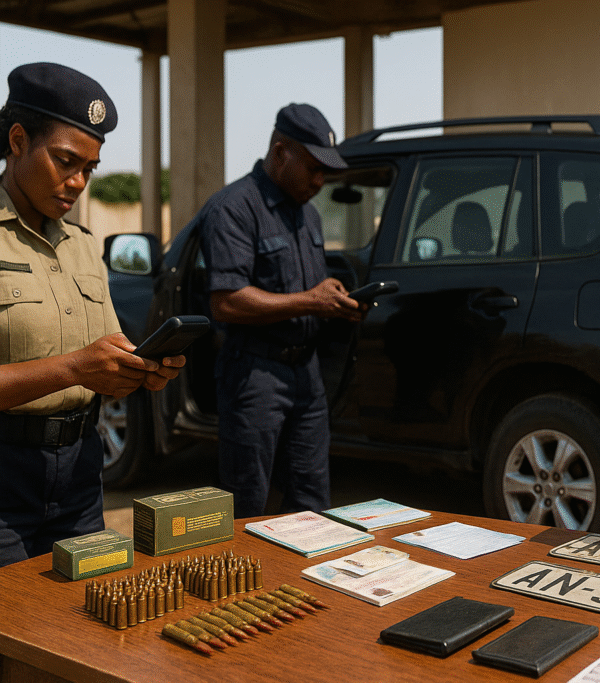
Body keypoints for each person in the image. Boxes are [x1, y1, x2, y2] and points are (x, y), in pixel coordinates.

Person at [0, 62, 185, 568]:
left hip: (82, 473)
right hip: (4, 478)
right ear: (18, 140)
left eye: (89, 168)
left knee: (81, 624)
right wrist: (74, 368)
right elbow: (78, 365)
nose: (78, 181)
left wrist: (137, 371)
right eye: (65, 161)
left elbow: (102, 360)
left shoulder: (83, 246)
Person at [198, 103, 363, 519]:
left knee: (312, 504)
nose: (320, 180)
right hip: (255, 375)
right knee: (248, 502)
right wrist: (312, 300)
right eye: (312, 168)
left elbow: (308, 290)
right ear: (279, 152)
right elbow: (227, 301)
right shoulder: (233, 208)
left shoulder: (308, 214)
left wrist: (334, 303)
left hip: (306, 375)